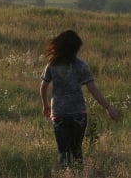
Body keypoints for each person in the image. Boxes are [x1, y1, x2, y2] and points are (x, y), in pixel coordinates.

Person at [40, 29, 118, 167]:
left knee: (63, 152)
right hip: (78, 114)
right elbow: (92, 88)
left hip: (59, 114)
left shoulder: (52, 65)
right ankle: (79, 173)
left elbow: (43, 87)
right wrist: (108, 107)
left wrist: (45, 105)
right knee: (77, 151)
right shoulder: (82, 65)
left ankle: (65, 174)